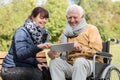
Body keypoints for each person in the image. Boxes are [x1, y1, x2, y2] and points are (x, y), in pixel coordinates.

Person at [48, 4, 103, 80]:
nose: (72, 20)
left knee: (79, 62)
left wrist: (80, 48)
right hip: (71, 65)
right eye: (70, 17)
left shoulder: (91, 29)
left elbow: (96, 51)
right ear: (66, 18)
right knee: (54, 62)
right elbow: (58, 52)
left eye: (75, 17)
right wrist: (53, 54)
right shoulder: (65, 33)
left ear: (82, 17)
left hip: (91, 64)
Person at [1, 7, 52, 80]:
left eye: (46, 19)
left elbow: (29, 57)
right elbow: (21, 54)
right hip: (10, 69)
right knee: (38, 75)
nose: (44, 21)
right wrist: (38, 47)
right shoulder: (21, 31)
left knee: (47, 72)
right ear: (33, 17)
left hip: (25, 67)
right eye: (41, 18)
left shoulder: (36, 35)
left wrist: (37, 63)